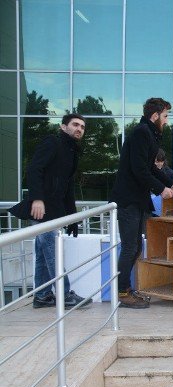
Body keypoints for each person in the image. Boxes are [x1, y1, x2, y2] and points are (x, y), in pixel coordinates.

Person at [110, 98, 173, 309]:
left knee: (134, 248)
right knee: (130, 247)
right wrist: (162, 190)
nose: (167, 121)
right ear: (155, 116)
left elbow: (151, 169)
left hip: (137, 200)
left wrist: (172, 184)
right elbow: (139, 170)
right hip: (128, 200)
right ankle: (122, 292)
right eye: (166, 116)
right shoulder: (142, 132)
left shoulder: (149, 133)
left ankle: (126, 289)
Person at [10, 114, 90, 309]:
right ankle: (64, 294)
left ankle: (43, 296)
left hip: (55, 211)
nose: (79, 128)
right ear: (64, 127)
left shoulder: (72, 151)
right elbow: (34, 169)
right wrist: (37, 199)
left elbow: (68, 187)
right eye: (75, 124)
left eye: (82, 126)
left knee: (43, 253)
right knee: (52, 251)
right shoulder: (52, 142)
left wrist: (72, 219)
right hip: (41, 208)